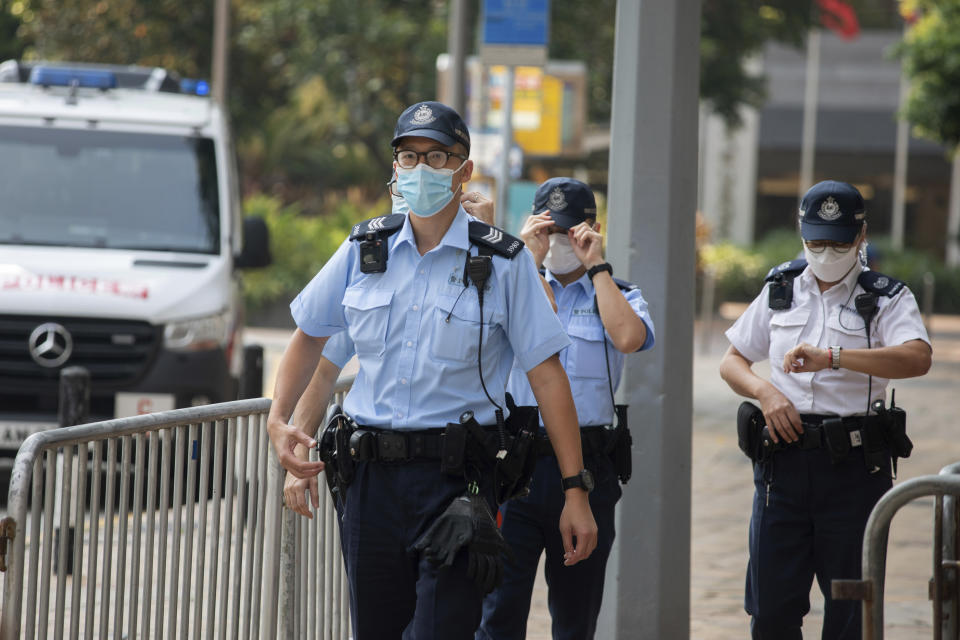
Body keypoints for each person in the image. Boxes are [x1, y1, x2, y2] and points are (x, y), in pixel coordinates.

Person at [266, 101, 598, 639]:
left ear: (464, 171)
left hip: (458, 483)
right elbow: (309, 339)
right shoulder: (363, 247)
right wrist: (281, 420)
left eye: (438, 157)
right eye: (409, 156)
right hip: (370, 479)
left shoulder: (505, 261)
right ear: (395, 168)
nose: (421, 169)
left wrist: (575, 492)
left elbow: (548, 378)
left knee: (442, 629)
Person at [719, 180, 932, 640]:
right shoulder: (781, 287)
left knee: (849, 610)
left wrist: (834, 356)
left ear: (861, 236)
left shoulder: (885, 296)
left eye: (837, 242)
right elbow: (732, 360)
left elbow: (917, 357)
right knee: (771, 611)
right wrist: (766, 392)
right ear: (801, 234)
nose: (826, 252)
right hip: (784, 466)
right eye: (816, 241)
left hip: (853, 469)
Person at [478, 178, 655, 640]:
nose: (558, 243)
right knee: (497, 614)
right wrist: (525, 260)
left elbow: (629, 338)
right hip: (515, 468)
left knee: (576, 617)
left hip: (588, 470)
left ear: (592, 230)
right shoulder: (512, 284)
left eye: (569, 233)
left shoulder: (614, 292)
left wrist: (596, 266)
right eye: (548, 231)